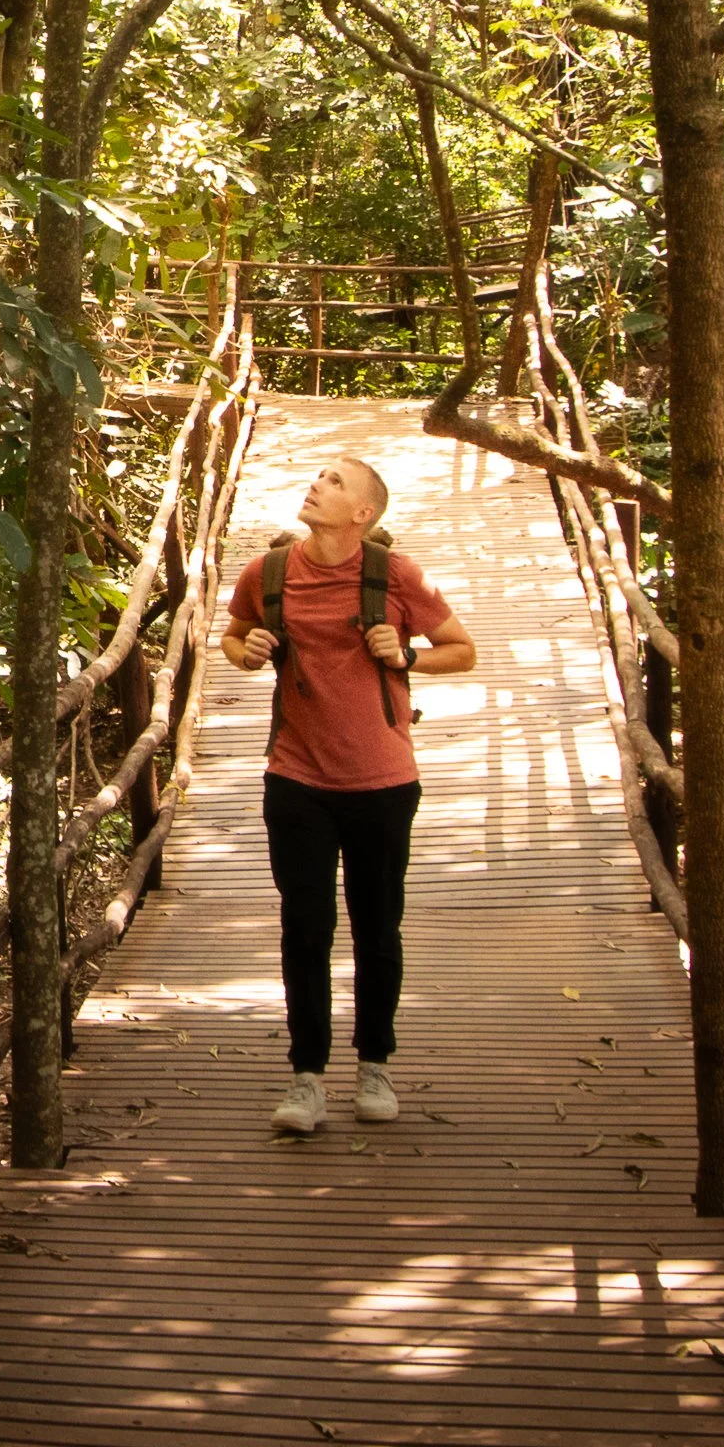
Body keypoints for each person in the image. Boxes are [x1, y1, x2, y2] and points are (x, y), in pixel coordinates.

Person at [220, 457, 476, 1133]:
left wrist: (408, 655)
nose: (317, 485)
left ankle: (375, 1066)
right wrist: (244, 653)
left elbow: (462, 650)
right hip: (296, 777)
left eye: (335, 481)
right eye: (319, 477)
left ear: (363, 513)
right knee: (305, 929)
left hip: (384, 783)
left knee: (376, 927)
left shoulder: (397, 577)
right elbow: (233, 634)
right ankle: (306, 1079)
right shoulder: (267, 572)